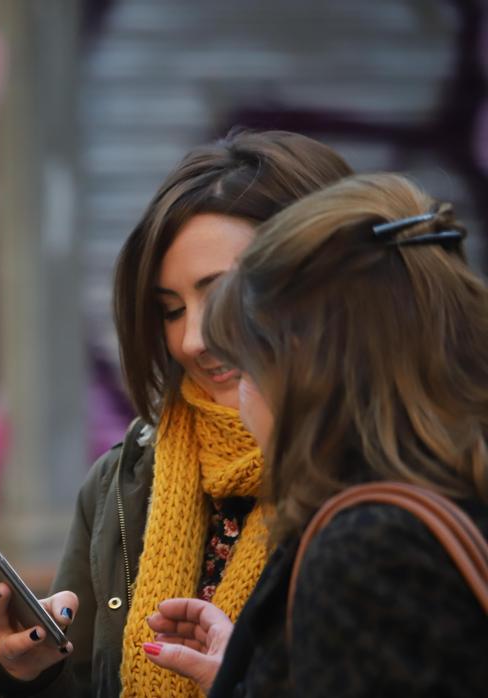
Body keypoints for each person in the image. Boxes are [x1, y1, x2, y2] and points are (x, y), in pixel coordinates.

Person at [0, 130, 354, 697]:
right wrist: (28, 674)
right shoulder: (124, 479)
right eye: (170, 311)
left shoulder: (393, 472)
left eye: (224, 295)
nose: (194, 339)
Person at [143, 173, 488, 696]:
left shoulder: (367, 551)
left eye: (250, 365)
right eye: (171, 310)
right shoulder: (451, 480)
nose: (240, 395)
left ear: (311, 369)